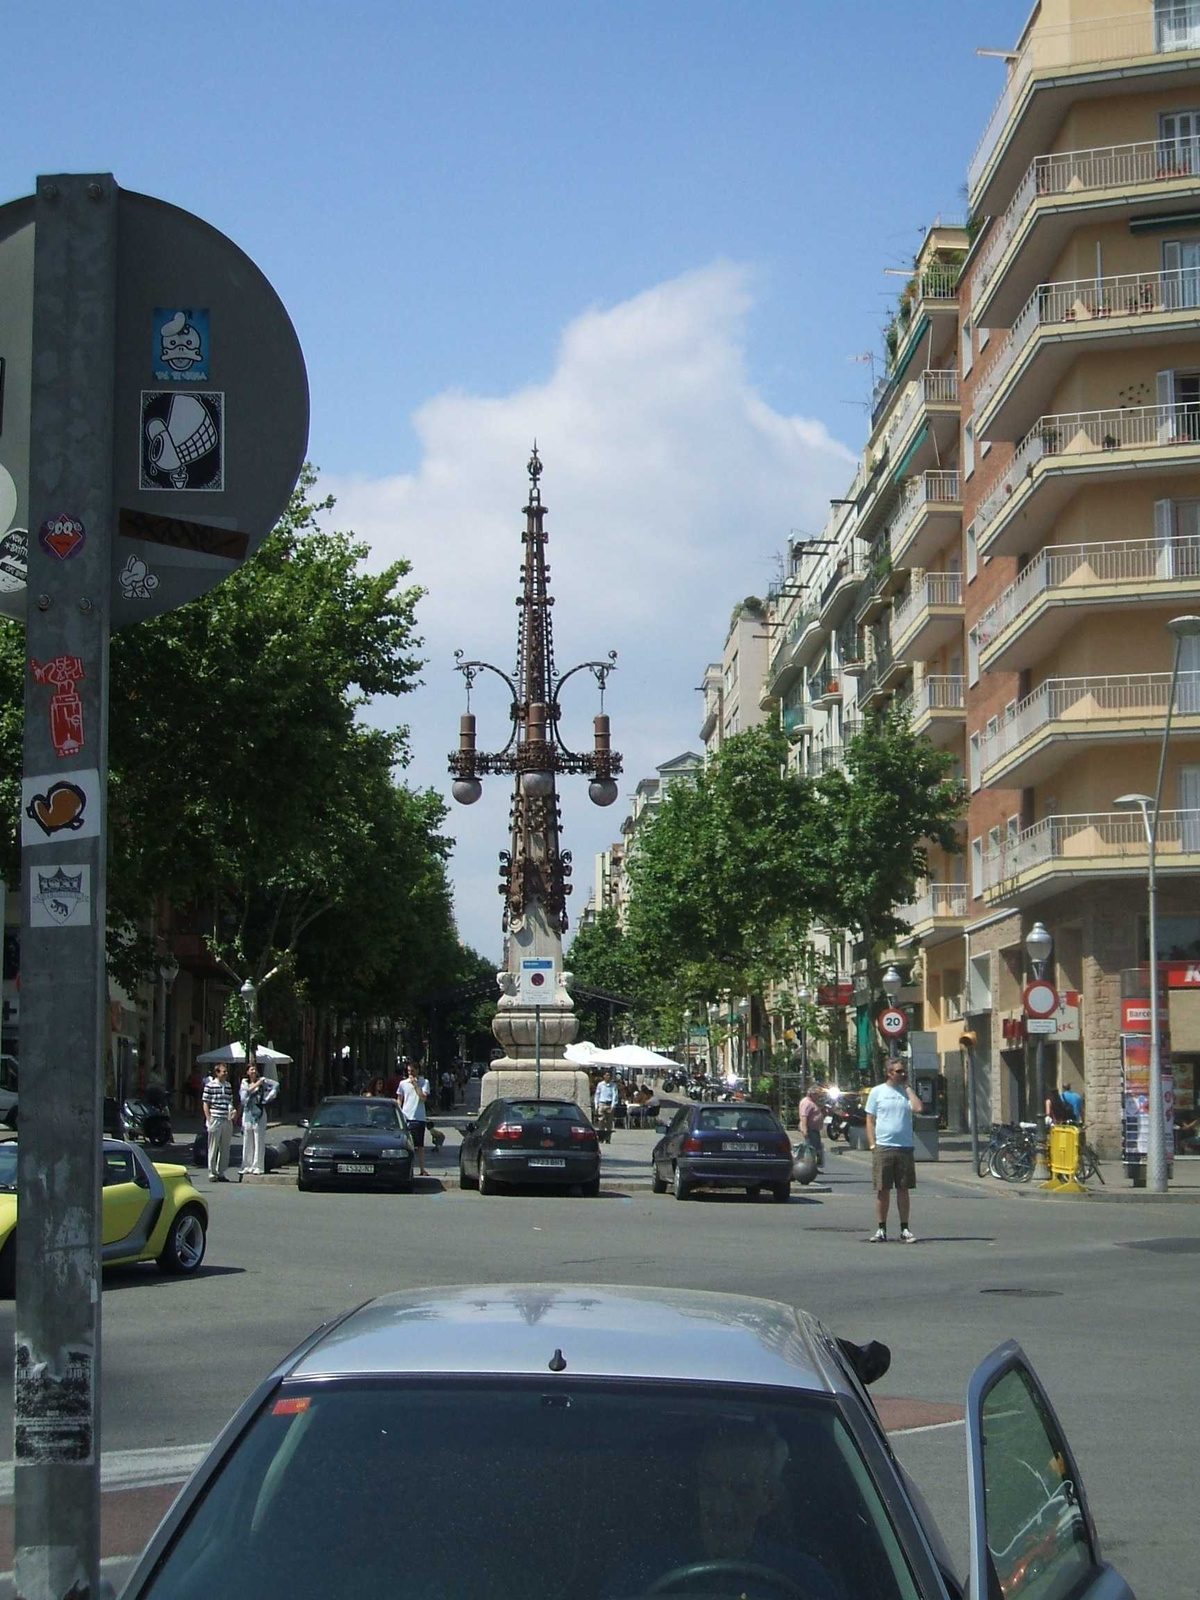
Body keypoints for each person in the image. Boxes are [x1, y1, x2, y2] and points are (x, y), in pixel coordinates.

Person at [865, 1057, 923, 1243]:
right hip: (884, 1146)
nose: (902, 1073)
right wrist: (873, 1143)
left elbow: (918, 1108)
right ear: (889, 1073)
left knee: (903, 1189)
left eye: (903, 1070)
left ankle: (905, 1228)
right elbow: (869, 1119)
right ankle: (881, 1229)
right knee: (883, 1189)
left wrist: (907, 1087)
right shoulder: (877, 1092)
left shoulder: (905, 1093)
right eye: (898, 1071)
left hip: (904, 1147)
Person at [239, 1060, 278, 1177]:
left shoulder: (263, 1081)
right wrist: (257, 1084)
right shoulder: (244, 1083)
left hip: (259, 1112)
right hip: (248, 1112)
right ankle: (247, 1165)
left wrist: (267, 1098)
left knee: (258, 1139)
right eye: (251, 1069)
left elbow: (276, 1085)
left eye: (255, 1069)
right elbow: (244, 1095)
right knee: (247, 1139)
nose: (254, 1071)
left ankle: (258, 1166)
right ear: (247, 1072)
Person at [202, 1062, 237, 1183]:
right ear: (217, 1073)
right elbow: (206, 1103)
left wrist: (233, 1110)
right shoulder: (210, 1085)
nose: (225, 1073)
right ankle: (212, 1172)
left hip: (226, 1119)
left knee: (225, 1147)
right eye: (223, 1071)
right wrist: (209, 1118)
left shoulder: (228, 1086)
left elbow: (230, 1101)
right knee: (213, 1146)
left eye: (226, 1071)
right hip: (215, 1118)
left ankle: (221, 1171)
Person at [397, 1060, 431, 1176]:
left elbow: (423, 1098)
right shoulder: (403, 1083)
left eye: (412, 1071)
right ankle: (407, 1168)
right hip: (406, 1117)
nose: (410, 1073)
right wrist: (399, 1112)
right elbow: (400, 1099)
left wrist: (416, 1086)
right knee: (406, 1145)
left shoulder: (424, 1082)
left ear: (417, 1070)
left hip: (418, 1117)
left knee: (419, 1146)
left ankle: (422, 1169)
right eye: (408, 1071)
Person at [797, 1086, 825, 1170]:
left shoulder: (812, 1102)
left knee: (816, 1148)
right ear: (811, 1094)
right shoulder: (806, 1103)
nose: (818, 1097)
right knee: (811, 1149)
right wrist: (805, 1130)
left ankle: (814, 1166)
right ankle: (809, 1167)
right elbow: (804, 1117)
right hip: (810, 1129)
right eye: (816, 1094)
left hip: (814, 1130)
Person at [594, 1067, 620, 1140]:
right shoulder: (600, 1085)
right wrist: (596, 1105)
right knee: (601, 1121)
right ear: (604, 1076)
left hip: (609, 1104)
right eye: (606, 1075)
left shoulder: (613, 1085)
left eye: (609, 1075)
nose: (608, 1076)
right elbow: (597, 1095)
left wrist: (613, 1105)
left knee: (609, 1122)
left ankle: (608, 1138)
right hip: (602, 1104)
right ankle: (601, 1137)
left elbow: (615, 1095)